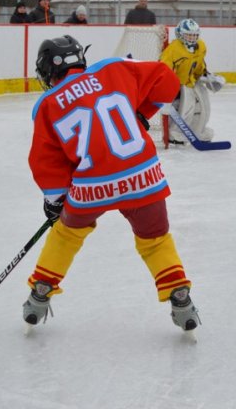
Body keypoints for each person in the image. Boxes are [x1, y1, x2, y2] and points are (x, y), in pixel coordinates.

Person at [24, 34, 200, 335]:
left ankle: (41, 291)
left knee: (66, 235)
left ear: (48, 71)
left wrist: (55, 201)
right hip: (142, 176)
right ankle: (179, 295)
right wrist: (141, 115)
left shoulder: (47, 105)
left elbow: (47, 162)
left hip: (92, 186)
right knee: (155, 240)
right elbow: (167, 81)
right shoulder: (114, 68)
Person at [159, 19, 225, 145]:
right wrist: (165, 94)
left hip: (192, 82)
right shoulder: (173, 50)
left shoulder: (201, 46)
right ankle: (175, 134)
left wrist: (206, 76)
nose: (192, 38)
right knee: (187, 108)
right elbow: (164, 71)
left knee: (204, 107)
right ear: (180, 34)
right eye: (188, 34)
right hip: (178, 85)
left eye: (194, 35)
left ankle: (198, 131)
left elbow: (198, 66)